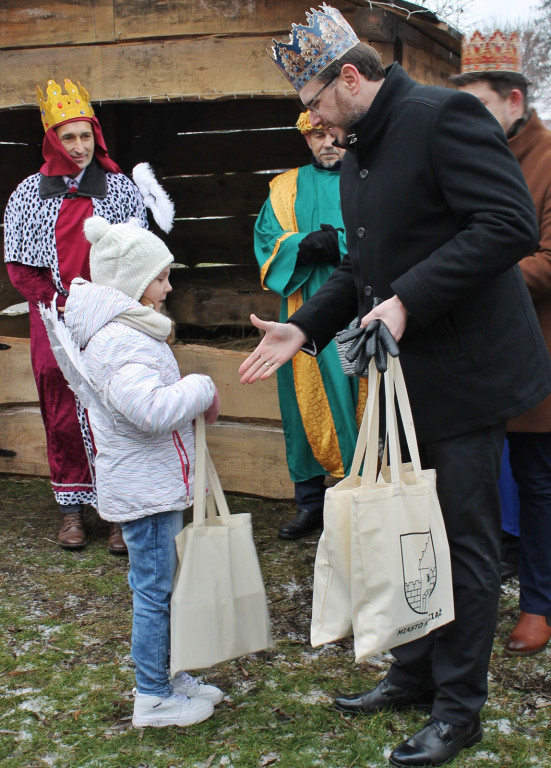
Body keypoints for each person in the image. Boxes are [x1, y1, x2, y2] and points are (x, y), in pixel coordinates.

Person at [239, 6, 551, 766]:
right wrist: (304, 326)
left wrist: (409, 298)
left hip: (468, 376)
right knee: (416, 534)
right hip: (403, 379)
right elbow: (359, 267)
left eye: (313, 98)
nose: (308, 115)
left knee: (465, 544)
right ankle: (413, 675)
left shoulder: (443, 116)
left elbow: (509, 224)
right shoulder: (355, 152)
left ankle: (458, 709)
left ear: (350, 76)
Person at [60, 216, 223, 728]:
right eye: (161, 276)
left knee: (164, 587)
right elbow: (148, 411)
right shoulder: (120, 340)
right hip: (145, 493)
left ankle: (170, 675)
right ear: (132, 281)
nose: (170, 285)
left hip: (153, 485)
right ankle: (152, 695)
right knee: (153, 594)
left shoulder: (132, 329)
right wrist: (201, 386)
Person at [3, 78, 147, 554]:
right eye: (69, 137)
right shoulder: (28, 194)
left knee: (111, 407)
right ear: (52, 139)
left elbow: (138, 255)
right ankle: (71, 512)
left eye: (86, 135)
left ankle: (116, 512)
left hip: (107, 316)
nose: (80, 146)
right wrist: (56, 302)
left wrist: (109, 302)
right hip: (54, 320)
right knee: (62, 411)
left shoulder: (120, 189)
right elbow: (20, 264)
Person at [451, 30, 551, 656]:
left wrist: (471, 274)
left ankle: (541, 602)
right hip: (472, 357)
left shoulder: (550, 158)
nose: (472, 122)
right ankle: (475, 597)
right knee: (475, 482)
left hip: (538, 348)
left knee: (539, 482)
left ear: (514, 100)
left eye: (482, 107)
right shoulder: (468, 156)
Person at [254, 110, 367, 539]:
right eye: (314, 135)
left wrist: (337, 244)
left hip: (357, 306)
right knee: (300, 408)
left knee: (357, 396)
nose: (325, 143)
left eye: (329, 133)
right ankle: (310, 503)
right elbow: (266, 239)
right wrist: (302, 245)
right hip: (300, 308)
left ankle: (357, 496)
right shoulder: (284, 187)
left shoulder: (367, 175)